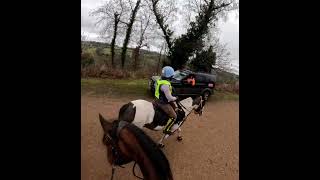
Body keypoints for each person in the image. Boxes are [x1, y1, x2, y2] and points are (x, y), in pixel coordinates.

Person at [155, 66, 179, 134]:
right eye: (172, 75)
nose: (172, 76)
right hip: (163, 103)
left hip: (156, 100)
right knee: (174, 116)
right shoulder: (165, 85)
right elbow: (169, 98)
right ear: (169, 75)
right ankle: (167, 129)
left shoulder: (159, 80)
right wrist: (176, 98)